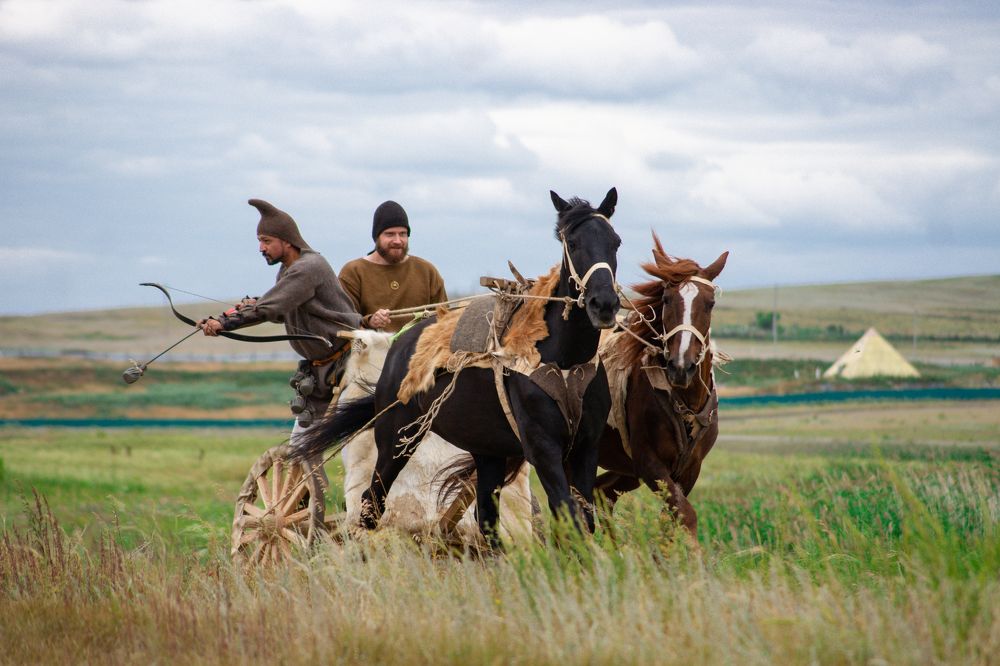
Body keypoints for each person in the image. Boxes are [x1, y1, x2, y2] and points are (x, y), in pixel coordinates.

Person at [199, 198, 363, 430]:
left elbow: (270, 309)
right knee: (303, 448)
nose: (261, 248)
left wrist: (223, 324)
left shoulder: (308, 267)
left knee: (355, 446)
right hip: (321, 372)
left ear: (287, 241)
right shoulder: (287, 270)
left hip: (350, 365)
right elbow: (277, 309)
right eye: (259, 241)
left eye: (266, 241)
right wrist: (230, 315)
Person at [338, 200, 447, 333]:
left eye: (403, 234)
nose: (397, 241)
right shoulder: (353, 272)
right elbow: (346, 324)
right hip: (372, 351)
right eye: (390, 234)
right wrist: (370, 321)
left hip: (419, 351)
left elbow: (443, 320)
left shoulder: (427, 271)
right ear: (377, 237)